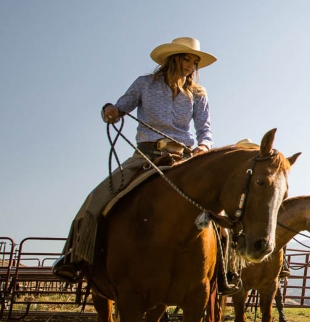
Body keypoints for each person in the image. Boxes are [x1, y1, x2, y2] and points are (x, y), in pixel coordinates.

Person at [53, 37, 223, 289]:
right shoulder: (145, 84)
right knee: (96, 199)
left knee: (218, 210)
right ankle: (74, 256)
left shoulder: (198, 94)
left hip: (185, 159)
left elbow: (204, 129)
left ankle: (226, 271)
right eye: (188, 59)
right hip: (145, 157)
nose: (192, 65)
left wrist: (204, 146)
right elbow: (121, 106)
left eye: (195, 61)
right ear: (174, 58)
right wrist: (110, 111)